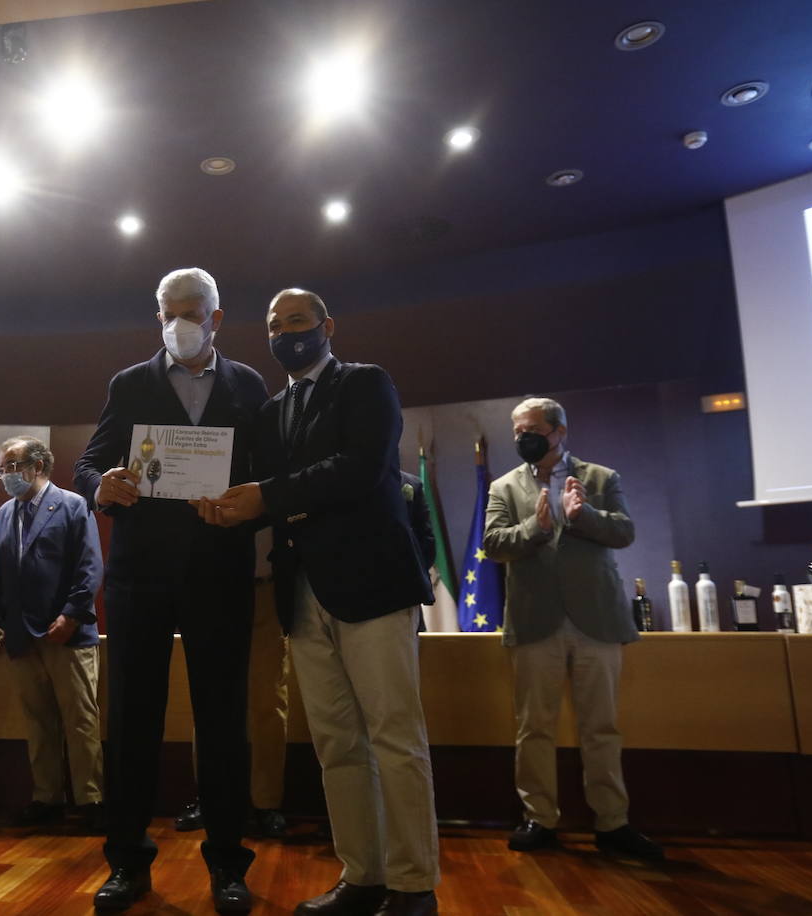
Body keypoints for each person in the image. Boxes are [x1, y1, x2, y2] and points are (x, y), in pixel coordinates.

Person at [197, 289, 440, 916]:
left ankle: (414, 885)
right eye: (275, 326)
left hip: (374, 585)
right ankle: (363, 875)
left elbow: (358, 469)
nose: (285, 334)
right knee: (337, 743)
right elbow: (266, 498)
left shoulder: (365, 384)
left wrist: (263, 497)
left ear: (327, 326)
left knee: (395, 737)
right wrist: (221, 510)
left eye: (297, 322)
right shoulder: (272, 410)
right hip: (302, 593)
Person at [74, 267, 268, 913]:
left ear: (216, 317)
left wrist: (248, 506)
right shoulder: (129, 383)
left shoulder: (249, 385)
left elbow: (266, 478)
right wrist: (101, 484)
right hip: (139, 576)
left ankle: (227, 865)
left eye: (190, 312)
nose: (177, 323)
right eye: (166, 313)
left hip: (220, 572)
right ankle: (127, 862)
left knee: (222, 721)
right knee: (131, 720)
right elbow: (90, 461)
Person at [482, 397, 663, 861]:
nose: (525, 436)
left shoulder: (601, 478)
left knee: (601, 727)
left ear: (559, 430)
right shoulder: (504, 486)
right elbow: (495, 545)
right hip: (534, 622)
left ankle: (612, 823)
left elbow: (624, 532)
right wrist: (536, 527)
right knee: (533, 728)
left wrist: (585, 516)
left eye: (534, 428)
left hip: (596, 622)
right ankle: (539, 819)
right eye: (518, 430)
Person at [0, 435, 106, 833]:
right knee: (38, 721)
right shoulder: (2, 515)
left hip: (66, 634)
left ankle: (90, 801)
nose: (6, 474)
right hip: (21, 636)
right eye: (3, 467)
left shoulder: (72, 505)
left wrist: (71, 615)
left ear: (37, 466)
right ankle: (46, 798)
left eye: (13, 465)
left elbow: (89, 568)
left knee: (80, 719)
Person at [175, 526, 291, 840]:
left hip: (266, 589)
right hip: (213, 589)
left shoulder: (271, 473)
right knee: (209, 698)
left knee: (268, 699)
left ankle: (267, 803)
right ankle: (209, 798)